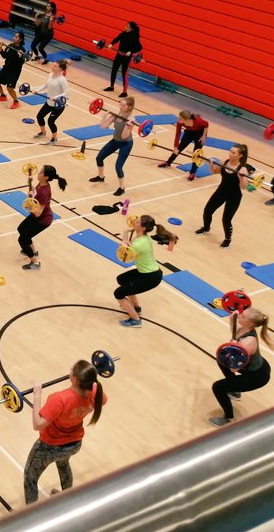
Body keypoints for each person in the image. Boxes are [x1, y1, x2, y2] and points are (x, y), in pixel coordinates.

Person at [23, 361, 106, 505]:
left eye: (71, 371)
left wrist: (37, 394)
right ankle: (68, 499)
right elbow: (102, 398)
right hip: (73, 445)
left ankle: (31, 514)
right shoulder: (95, 393)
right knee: (63, 464)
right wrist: (92, 378)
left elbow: (37, 424)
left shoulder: (59, 399)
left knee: (30, 477)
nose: (69, 371)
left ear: (74, 379)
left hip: (49, 447)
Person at [209, 308, 272, 427]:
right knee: (221, 360)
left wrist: (234, 346)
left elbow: (234, 368)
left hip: (257, 377)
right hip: (255, 366)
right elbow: (234, 329)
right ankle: (235, 391)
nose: (239, 316)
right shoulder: (245, 330)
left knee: (218, 387)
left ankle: (229, 418)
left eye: (242, 316)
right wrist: (232, 317)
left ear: (250, 323)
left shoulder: (248, 342)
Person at [115, 215, 168, 327]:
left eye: (137, 222)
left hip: (150, 277)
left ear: (143, 228)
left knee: (118, 293)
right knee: (122, 279)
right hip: (146, 272)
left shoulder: (139, 244)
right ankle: (136, 308)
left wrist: (123, 243)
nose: (134, 221)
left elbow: (125, 257)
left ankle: (136, 320)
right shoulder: (142, 237)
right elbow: (128, 243)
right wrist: (126, 232)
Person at [196, 144, 251, 248]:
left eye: (233, 153)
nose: (230, 154)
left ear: (240, 156)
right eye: (230, 151)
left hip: (234, 196)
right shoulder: (224, 162)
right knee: (207, 211)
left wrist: (241, 177)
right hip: (221, 191)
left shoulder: (242, 169)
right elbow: (215, 171)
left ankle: (227, 239)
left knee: (226, 219)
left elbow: (244, 187)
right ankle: (206, 228)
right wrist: (211, 164)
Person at [17, 165, 68, 270]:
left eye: (40, 172)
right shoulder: (41, 184)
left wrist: (28, 205)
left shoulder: (44, 192)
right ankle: (33, 251)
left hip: (42, 220)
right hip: (37, 217)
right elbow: (34, 194)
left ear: (46, 176)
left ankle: (34, 262)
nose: (38, 173)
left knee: (22, 239)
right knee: (21, 229)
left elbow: (38, 212)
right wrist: (30, 184)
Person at [89, 96, 135, 197]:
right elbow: (103, 126)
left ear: (129, 107)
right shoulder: (116, 114)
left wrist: (128, 127)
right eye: (120, 104)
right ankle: (101, 177)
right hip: (115, 141)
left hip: (126, 144)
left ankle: (121, 188)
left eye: (123, 105)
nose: (120, 107)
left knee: (118, 166)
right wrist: (104, 116)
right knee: (99, 157)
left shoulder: (131, 119)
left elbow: (124, 136)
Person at [159, 110, 209, 180]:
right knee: (179, 148)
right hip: (189, 132)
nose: (178, 119)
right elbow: (177, 134)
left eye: (180, 118)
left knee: (196, 153)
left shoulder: (198, 121)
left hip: (199, 134)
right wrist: (175, 147)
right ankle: (168, 162)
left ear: (187, 120)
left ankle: (192, 172)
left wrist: (204, 136)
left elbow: (206, 124)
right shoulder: (179, 123)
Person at [32, 60, 70, 145]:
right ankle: (43, 132)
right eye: (53, 65)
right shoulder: (50, 75)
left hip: (58, 105)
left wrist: (56, 97)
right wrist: (38, 90)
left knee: (50, 121)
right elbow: (46, 85)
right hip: (49, 102)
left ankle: (54, 138)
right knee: (39, 116)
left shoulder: (62, 80)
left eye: (55, 66)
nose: (53, 67)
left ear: (61, 69)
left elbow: (66, 92)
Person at [105, 21, 142, 98]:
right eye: (126, 26)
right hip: (119, 55)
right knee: (114, 70)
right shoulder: (123, 34)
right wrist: (111, 44)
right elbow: (116, 39)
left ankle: (125, 92)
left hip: (126, 57)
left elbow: (139, 47)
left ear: (132, 29)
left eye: (128, 27)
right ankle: (111, 87)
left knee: (124, 74)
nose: (125, 27)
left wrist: (131, 51)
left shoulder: (134, 37)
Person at [0, 31, 26, 109]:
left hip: (14, 72)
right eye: (14, 36)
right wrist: (1, 48)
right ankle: (3, 96)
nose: (14, 38)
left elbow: (22, 62)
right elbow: (4, 56)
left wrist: (20, 56)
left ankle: (16, 101)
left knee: (9, 88)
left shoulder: (22, 49)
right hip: (6, 69)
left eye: (16, 37)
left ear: (20, 39)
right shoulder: (10, 46)